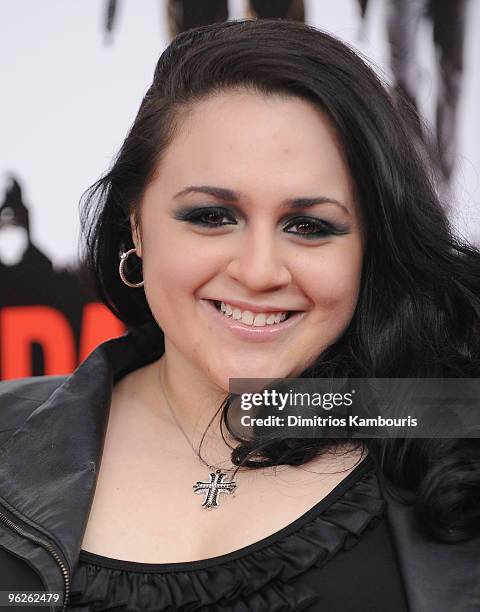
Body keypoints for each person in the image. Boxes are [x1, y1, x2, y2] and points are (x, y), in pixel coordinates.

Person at [0, 18, 479, 612]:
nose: (257, 271)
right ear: (136, 225)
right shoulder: (7, 437)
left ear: (372, 247)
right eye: (211, 216)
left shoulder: (450, 433)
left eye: (308, 226)